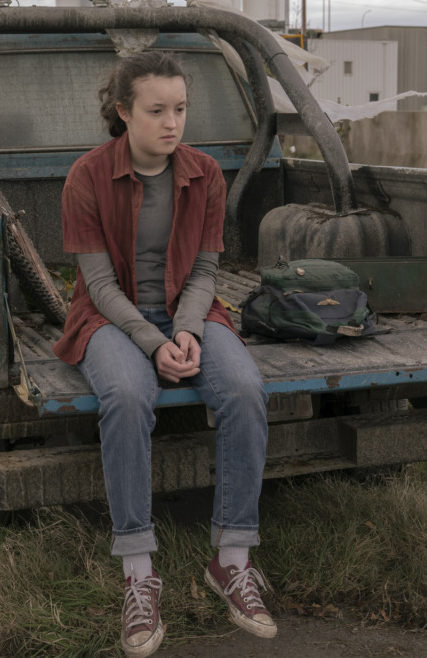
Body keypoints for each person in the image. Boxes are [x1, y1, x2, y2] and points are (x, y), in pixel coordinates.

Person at [51, 50, 276, 657]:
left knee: (246, 391)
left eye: (180, 109)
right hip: (109, 318)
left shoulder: (204, 172)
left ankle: (230, 561)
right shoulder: (87, 176)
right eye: (156, 111)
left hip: (190, 313)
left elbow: (206, 270)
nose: (171, 123)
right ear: (124, 112)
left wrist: (188, 332)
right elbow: (98, 286)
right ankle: (139, 573)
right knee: (125, 395)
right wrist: (153, 344)